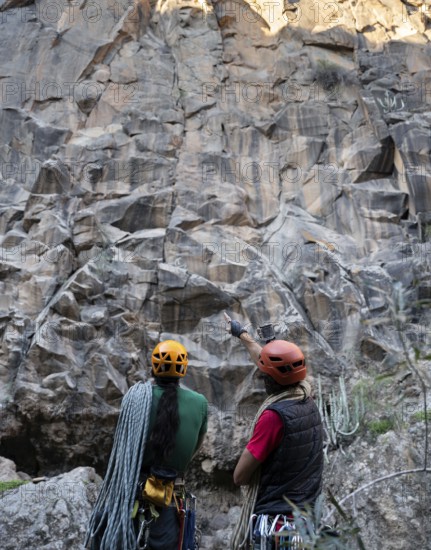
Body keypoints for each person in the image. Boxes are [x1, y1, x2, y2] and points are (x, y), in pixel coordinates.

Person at [225, 314, 323, 549]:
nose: (261, 375)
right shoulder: (308, 401)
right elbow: (264, 359)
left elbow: (240, 477)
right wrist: (241, 334)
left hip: (276, 524)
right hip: (305, 522)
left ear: (271, 378)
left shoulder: (273, 417)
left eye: (264, 373)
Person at [138, 339, 208, 550]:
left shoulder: (137, 399)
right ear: (183, 370)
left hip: (134, 495)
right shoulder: (200, 403)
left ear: (153, 367)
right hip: (172, 499)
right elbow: (194, 448)